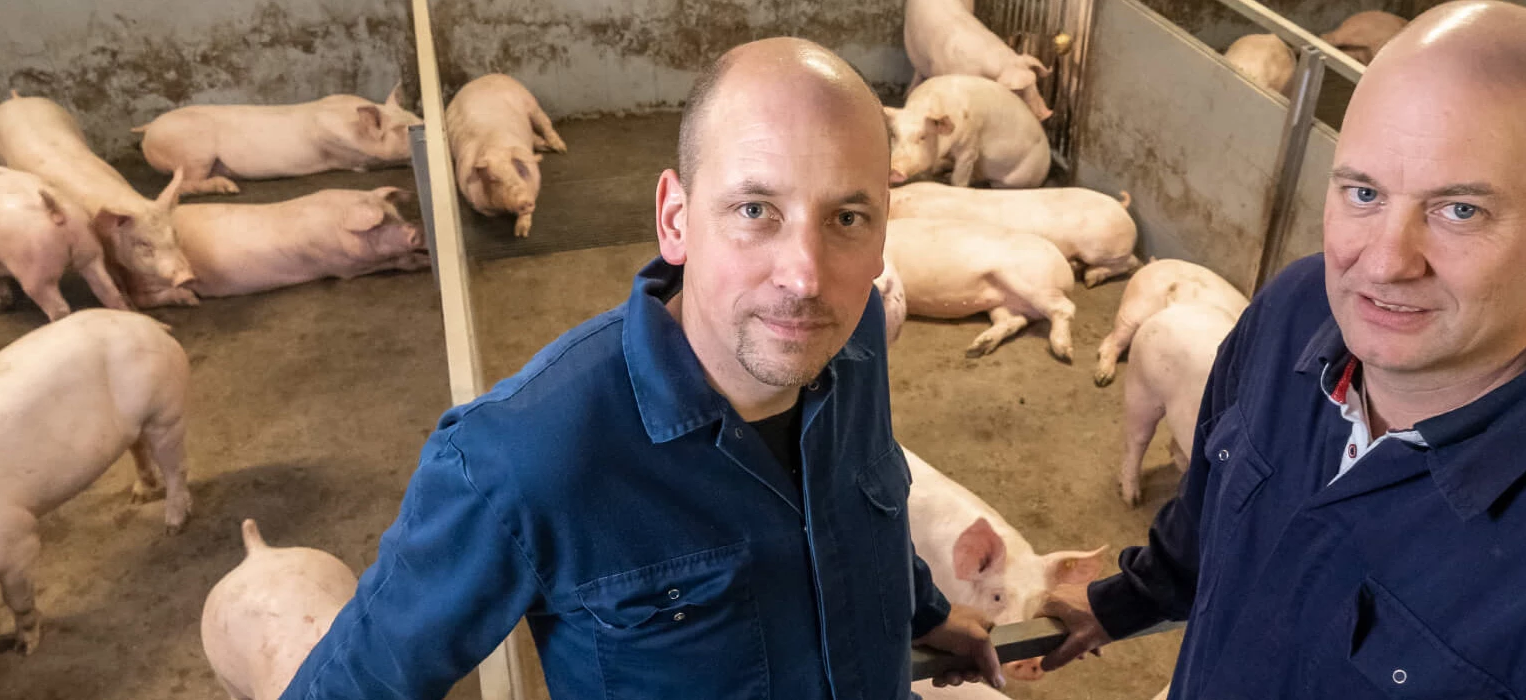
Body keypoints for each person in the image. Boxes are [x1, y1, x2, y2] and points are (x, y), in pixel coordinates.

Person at [1037, 2, 1526, 697]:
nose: (1386, 263)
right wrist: (1125, 601)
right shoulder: (1295, 313)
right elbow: (1213, 509)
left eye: (1460, 210)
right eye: (1363, 193)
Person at [281, 38, 1003, 699]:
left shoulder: (858, 338)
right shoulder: (521, 458)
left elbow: (854, 504)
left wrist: (922, 613)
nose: (805, 277)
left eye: (847, 217)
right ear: (676, 219)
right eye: (756, 209)